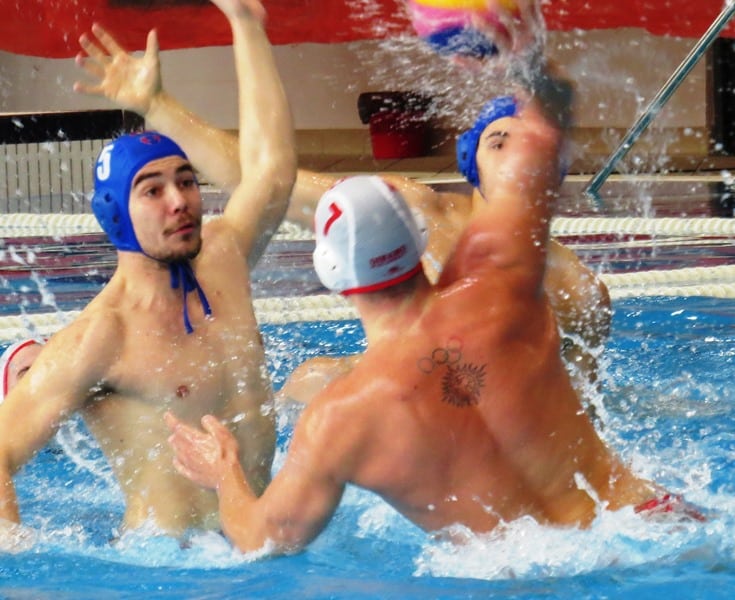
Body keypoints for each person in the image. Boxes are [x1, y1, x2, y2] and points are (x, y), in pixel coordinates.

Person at [165, 93, 702, 556]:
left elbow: (263, 539)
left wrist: (225, 473)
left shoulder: (338, 420)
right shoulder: (512, 286)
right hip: (653, 522)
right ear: (420, 241)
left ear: (329, 272)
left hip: (526, 572)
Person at [71, 23, 610, 407]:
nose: (518, 155)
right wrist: (158, 105)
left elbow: (583, 416)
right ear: (471, 162)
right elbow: (258, 180)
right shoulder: (406, 210)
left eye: (532, 146)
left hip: (469, 439)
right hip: (382, 416)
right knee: (313, 380)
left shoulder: (579, 291)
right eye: (499, 142)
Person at [0, 0, 296, 542]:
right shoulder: (100, 338)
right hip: (171, 564)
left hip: (262, 541)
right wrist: (13, 550)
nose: (180, 200)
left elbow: (273, 174)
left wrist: (246, 24)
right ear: (116, 214)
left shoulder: (223, 257)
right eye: (152, 191)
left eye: (186, 180)